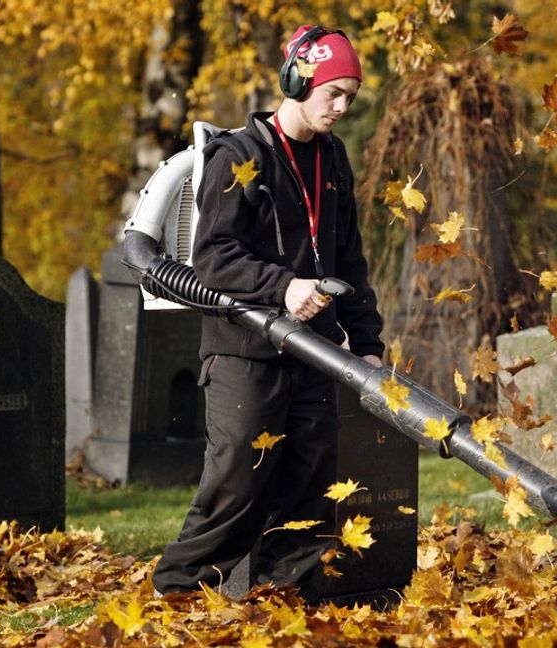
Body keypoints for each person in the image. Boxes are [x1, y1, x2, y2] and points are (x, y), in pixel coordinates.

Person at [152, 24, 384, 601]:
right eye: (334, 92)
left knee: (310, 482)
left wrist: (369, 340)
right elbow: (211, 257)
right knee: (237, 484)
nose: (342, 106)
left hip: (316, 352)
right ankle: (177, 593)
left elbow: (348, 258)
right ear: (296, 80)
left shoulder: (333, 159)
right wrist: (282, 288)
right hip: (245, 351)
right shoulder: (240, 155)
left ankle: (287, 601)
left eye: (351, 95)